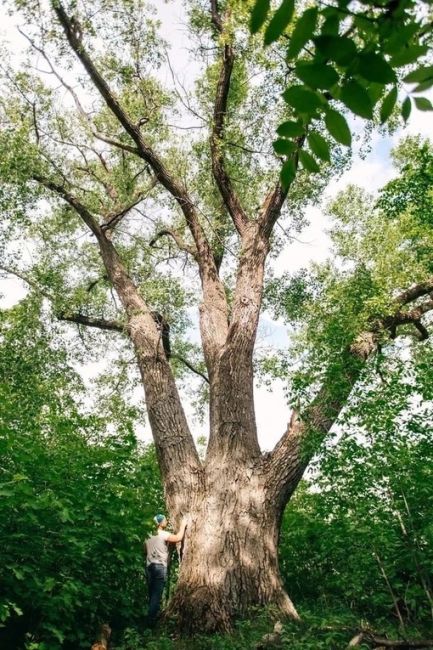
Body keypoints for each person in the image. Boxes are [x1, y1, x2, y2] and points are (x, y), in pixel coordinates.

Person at [145, 514, 186, 627]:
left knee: (152, 594)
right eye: (164, 520)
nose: (166, 521)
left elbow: (144, 550)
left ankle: (150, 620)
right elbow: (178, 538)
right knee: (156, 596)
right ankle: (150, 624)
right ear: (160, 523)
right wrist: (183, 525)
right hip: (159, 567)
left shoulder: (148, 535)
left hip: (149, 567)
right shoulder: (163, 534)